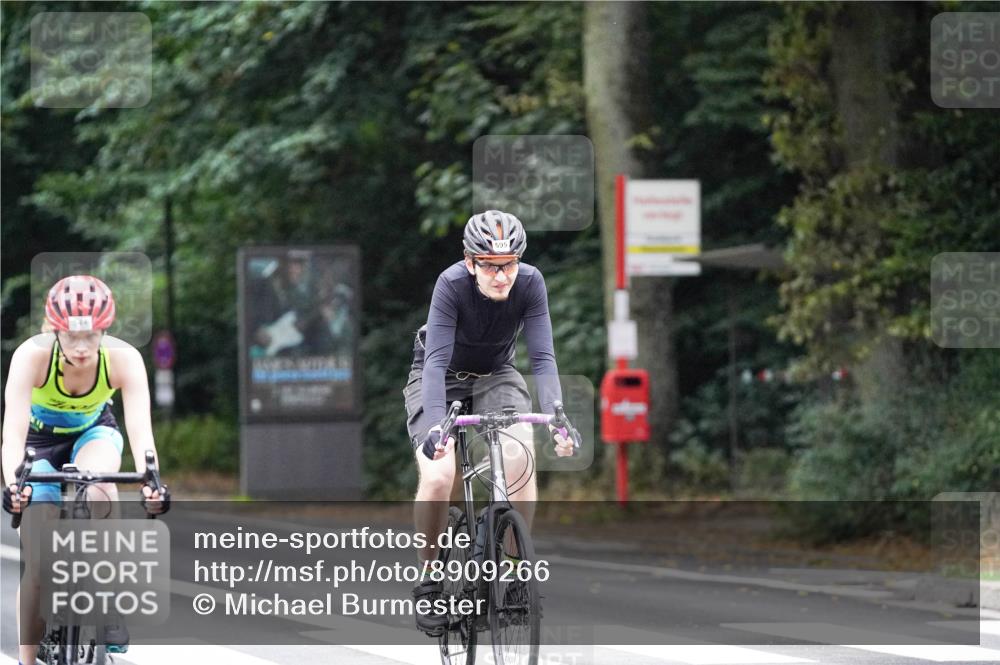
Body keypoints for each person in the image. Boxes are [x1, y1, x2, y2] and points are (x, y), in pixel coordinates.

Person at [403, 210, 574, 635]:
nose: (502, 276)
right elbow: (437, 360)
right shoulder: (451, 284)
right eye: (491, 266)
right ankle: (430, 581)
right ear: (470, 262)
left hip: (498, 375)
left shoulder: (531, 282)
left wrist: (557, 416)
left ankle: (514, 570)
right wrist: (438, 429)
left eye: (510, 264)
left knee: (520, 456)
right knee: (441, 477)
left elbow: (543, 356)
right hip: (440, 376)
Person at [1, 275, 169, 665]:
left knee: (98, 484)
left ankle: (108, 598)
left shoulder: (124, 358)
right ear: (53, 330)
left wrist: (152, 482)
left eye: (91, 336)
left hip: (93, 433)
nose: (80, 347)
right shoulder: (31, 355)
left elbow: (142, 433)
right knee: (39, 569)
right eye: (70, 336)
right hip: (37, 443)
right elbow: (12, 435)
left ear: (104, 330)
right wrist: (15, 485)